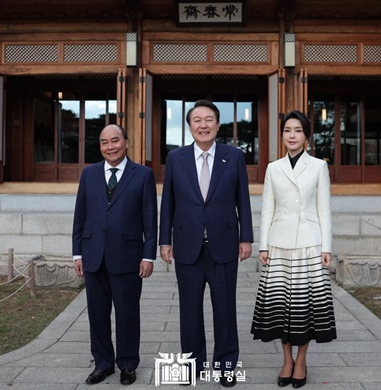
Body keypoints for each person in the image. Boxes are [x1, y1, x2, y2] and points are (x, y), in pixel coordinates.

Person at [159, 99, 254, 387]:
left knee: (225, 309)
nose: (203, 125)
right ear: (189, 126)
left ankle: (226, 365)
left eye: (209, 119)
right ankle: (192, 365)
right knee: (189, 310)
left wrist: (246, 237)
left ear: (217, 123)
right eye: (197, 120)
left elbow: (243, 201)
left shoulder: (234, 157)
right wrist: (165, 241)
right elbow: (168, 204)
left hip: (223, 245)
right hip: (187, 246)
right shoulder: (176, 158)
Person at [250, 110, 337, 389]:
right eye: (287, 130)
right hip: (278, 242)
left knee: (304, 307)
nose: (292, 135)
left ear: (306, 136)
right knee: (279, 308)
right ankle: (286, 359)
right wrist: (263, 245)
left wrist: (327, 247)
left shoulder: (318, 167)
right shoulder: (273, 168)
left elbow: (324, 209)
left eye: (297, 130)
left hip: (309, 244)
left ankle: (301, 360)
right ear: (282, 134)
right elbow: (267, 208)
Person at [72, 124, 157, 386]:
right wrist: (77, 253)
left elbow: (150, 219)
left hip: (128, 257)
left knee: (127, 314)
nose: (110, 146)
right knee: (97, 315)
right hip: (93, 255)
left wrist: (148, 256)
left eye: (115, 141)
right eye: (104, 142)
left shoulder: (142, 175)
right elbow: (80, 215)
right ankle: (103, 363)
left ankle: (128, 364)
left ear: (126, 142)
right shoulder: (89, 174)